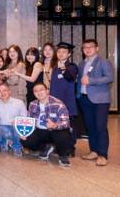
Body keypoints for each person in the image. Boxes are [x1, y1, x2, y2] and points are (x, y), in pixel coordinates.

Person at [77, 39, 114, 167]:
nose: (88, 49)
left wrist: (91, 80)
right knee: (90, 126)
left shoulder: (104, 62)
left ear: (97, 48)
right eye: (85, 47)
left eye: (90, 47)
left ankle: (103, 155)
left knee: (100, 126)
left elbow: (110, 78)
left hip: (100, 100)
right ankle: (93, 151)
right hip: (85, 99)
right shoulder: (82, 64)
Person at [21, 82, 73, 167]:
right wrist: (24, 132)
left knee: (63, 136)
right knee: (25, 140)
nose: (39, 92)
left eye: (41, 89)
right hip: (40, 131)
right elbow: (29, 121)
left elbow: (66, 122)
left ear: (47, 91)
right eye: (35, 91)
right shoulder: (32, 104)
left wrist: (55, 125)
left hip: (56, 130)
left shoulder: (58, 103)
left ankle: (63, 155)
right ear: (34, 94)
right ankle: (45, 148)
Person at [51, 42, 79, 153]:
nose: (61, 54)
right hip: (55, 102)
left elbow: (70, 77)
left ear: (69, 55)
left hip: (67, 102)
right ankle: (59, 146)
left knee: (69, 126)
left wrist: (63, 69)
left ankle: (70, 148)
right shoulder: (55, 67)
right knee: (56, 124)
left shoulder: (72, 67)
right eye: (59, 52)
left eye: (64, 52)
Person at [0, 84, 28, 156]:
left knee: (17, 127)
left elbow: (24, 117)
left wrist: (17, 121)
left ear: (9, 92)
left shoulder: (19, 102)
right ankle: (3, 143)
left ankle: (17, 147)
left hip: (15, 126)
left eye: (4, 90)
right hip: (1, 126)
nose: (2, 93)